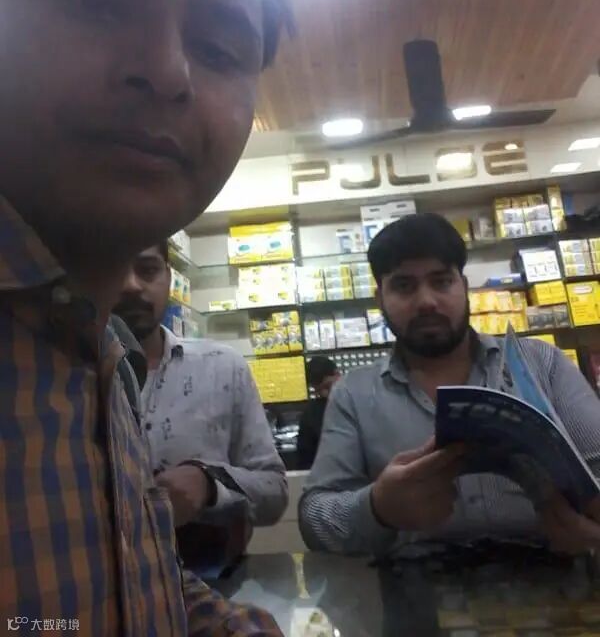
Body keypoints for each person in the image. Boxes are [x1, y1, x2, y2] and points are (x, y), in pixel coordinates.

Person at [0, 0, 287, 633]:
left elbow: (124, 586)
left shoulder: (104, 356)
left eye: (220, 49)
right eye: (93, 2)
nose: (168, 71)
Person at [299, 214, 600, 560]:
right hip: (414, 585)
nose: (426, 301)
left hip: (553, 577)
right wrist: (378, 507)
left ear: (464, 286)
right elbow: (313, 519)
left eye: (441, 281)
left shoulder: (542, 363)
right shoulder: (353, 393)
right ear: (380, 298)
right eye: (404, 286)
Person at [113, 243, 288, 558]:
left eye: (147, 269)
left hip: (213, 577)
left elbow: (274, 493)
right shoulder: (67, 382)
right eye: (113, 270)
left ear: (168, 277)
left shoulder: (222, 367)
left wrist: (209, 484)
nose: (131, 285)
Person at [296, 357, 341, 469]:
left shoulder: (359, 401)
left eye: (327, 386)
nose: (325, 394)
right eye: (318, 391)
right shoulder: (310, 414)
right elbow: (305, 459)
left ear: (338, 374)